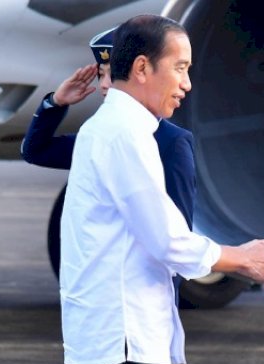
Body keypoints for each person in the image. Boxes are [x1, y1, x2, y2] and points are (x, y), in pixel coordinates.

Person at [60, 15, 264, 364]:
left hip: (101, 331)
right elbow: (167, 239)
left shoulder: (109, 127)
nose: (186, 83)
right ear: (142, 67)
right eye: (179, 68)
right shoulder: (125, 133)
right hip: (124, 337)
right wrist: (240, 259)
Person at [20, 27, 197, 296]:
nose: (103, 85)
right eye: (101, 74)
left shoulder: (170, 143)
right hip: (98, 297)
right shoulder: (100, 137)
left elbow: (178, 235)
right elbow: (36, 151)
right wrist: (55, 103)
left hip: (142, 301)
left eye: (111, 75)